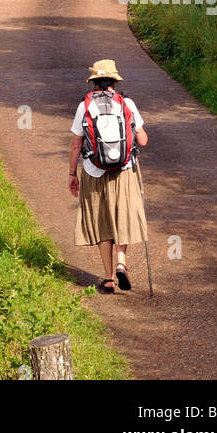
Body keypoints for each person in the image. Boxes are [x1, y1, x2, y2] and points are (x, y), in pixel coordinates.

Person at [68, 59, 148, 293]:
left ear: (93, 82)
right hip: (123, 171)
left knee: (103, 222)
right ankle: (122, 263)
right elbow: (142, 140)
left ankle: (108, 278)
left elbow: (76, 145)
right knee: (122, 216)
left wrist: (72, 174)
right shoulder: (127, 103)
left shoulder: (84, 106)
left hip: (94, 171)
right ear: (114, 81)